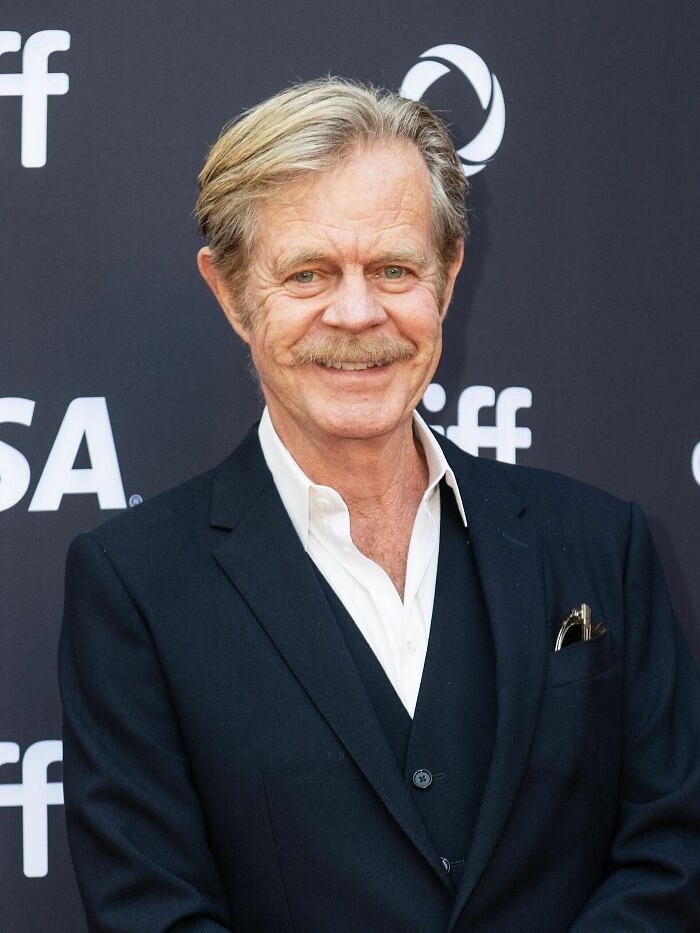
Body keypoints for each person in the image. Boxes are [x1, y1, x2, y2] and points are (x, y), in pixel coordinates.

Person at [59, 78, 700, 933]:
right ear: (231, 292)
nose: (358, 313)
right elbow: (153, 911)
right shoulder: (135, 588)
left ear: (449, 274)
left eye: (394, 269)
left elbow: (671, 849)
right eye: (309, 273)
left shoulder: (598, 543)